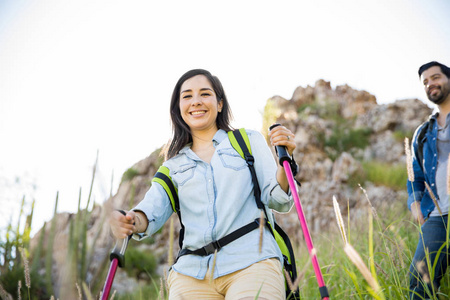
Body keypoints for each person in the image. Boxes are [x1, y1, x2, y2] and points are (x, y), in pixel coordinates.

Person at [109, 69, 296, 300]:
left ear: (219, 104)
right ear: (178, 109)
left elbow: (278, 198)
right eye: (187, 96)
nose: (196, 101)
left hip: (252, 261)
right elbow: (149, 212)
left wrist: (284, 160)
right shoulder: (171, 166)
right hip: (190, 277)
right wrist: (129, 221)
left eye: (204, 94)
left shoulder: (247, 141)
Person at [408, 61, 450, 299]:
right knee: (419, 283)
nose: (430, 84)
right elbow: (414, 175)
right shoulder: (423, 132)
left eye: (436, 77)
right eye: (425, 81)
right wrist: (414, 203)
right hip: (436, 218)